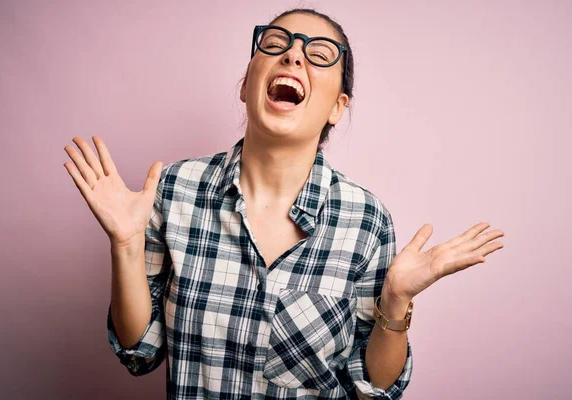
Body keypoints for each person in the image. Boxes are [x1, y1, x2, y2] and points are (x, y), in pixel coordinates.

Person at [63, 8, 505, 400]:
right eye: (275, 44)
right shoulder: (175, 189)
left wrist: (394, 302)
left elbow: (375, 390)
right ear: (245, 85)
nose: (294, 56)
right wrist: (125, 244)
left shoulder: (366, 221)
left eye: (320, 54)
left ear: (337, 106)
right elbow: (141, 350)